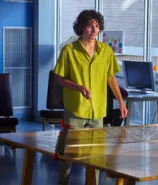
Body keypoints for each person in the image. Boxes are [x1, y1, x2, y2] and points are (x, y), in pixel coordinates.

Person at [53, 10, 128, 185]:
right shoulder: (69, 50)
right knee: (67, 153)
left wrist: (121, 103)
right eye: (89, 25)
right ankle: (62, 182)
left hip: (98, 110)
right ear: (81, 28)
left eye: (96, 25)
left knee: (95, 155)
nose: (94, 29)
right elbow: (59, 78)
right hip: (76, 109)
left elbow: (111, 78)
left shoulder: (106, 51)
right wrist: (78, 87)